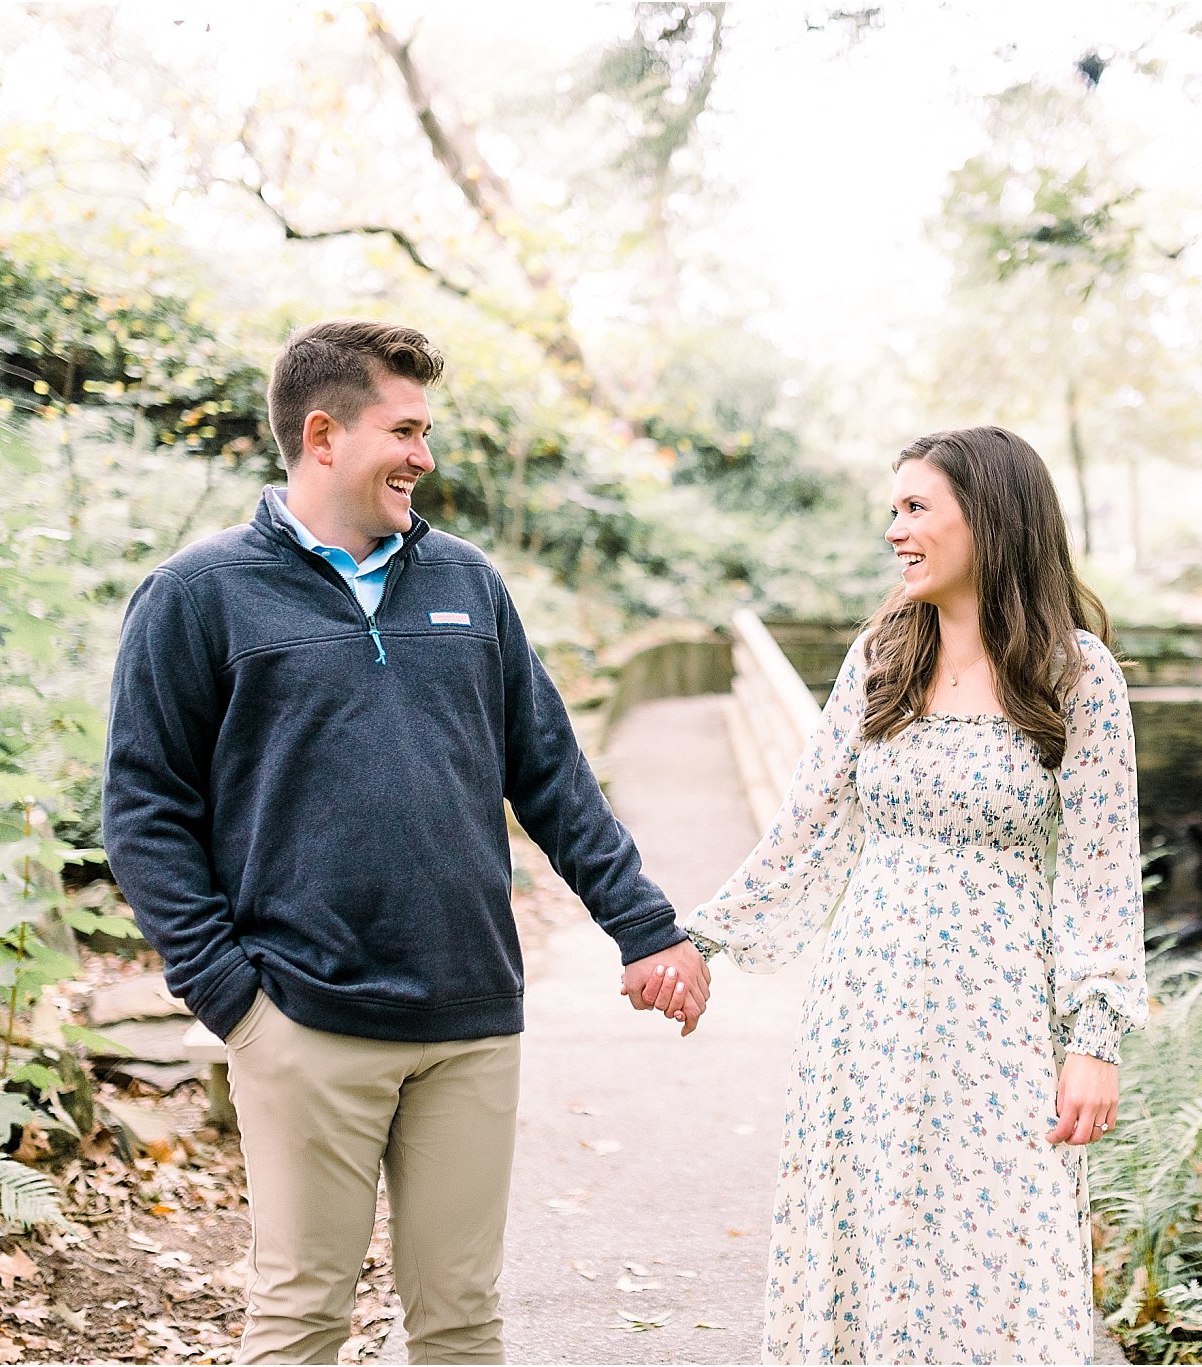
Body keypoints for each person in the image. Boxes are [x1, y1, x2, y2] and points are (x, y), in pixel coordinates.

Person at [102, 318, 707, 1365]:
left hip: (470, 1019)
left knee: (461, 1324)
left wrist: (645, 928)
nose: (425, 456)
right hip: (302, 1017)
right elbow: (144, 806)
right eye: (407, 429)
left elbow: (551, 774)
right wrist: (228, 992)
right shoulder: (198, 595)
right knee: (299, 1321)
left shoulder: (467, 584)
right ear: (324, 434)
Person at [638, 425, 1148, 1363]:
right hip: (865, 1009)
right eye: (893, 508)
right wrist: (692, 940)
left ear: (990, 520)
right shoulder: (882, 658)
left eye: (916, 508)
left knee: (1001, 1248)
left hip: (1001, 1018)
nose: (893, 530)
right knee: (870, 1241)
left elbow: (1103, 875)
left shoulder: (1078, 677)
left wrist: (1095, 1040)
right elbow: (807, 829)